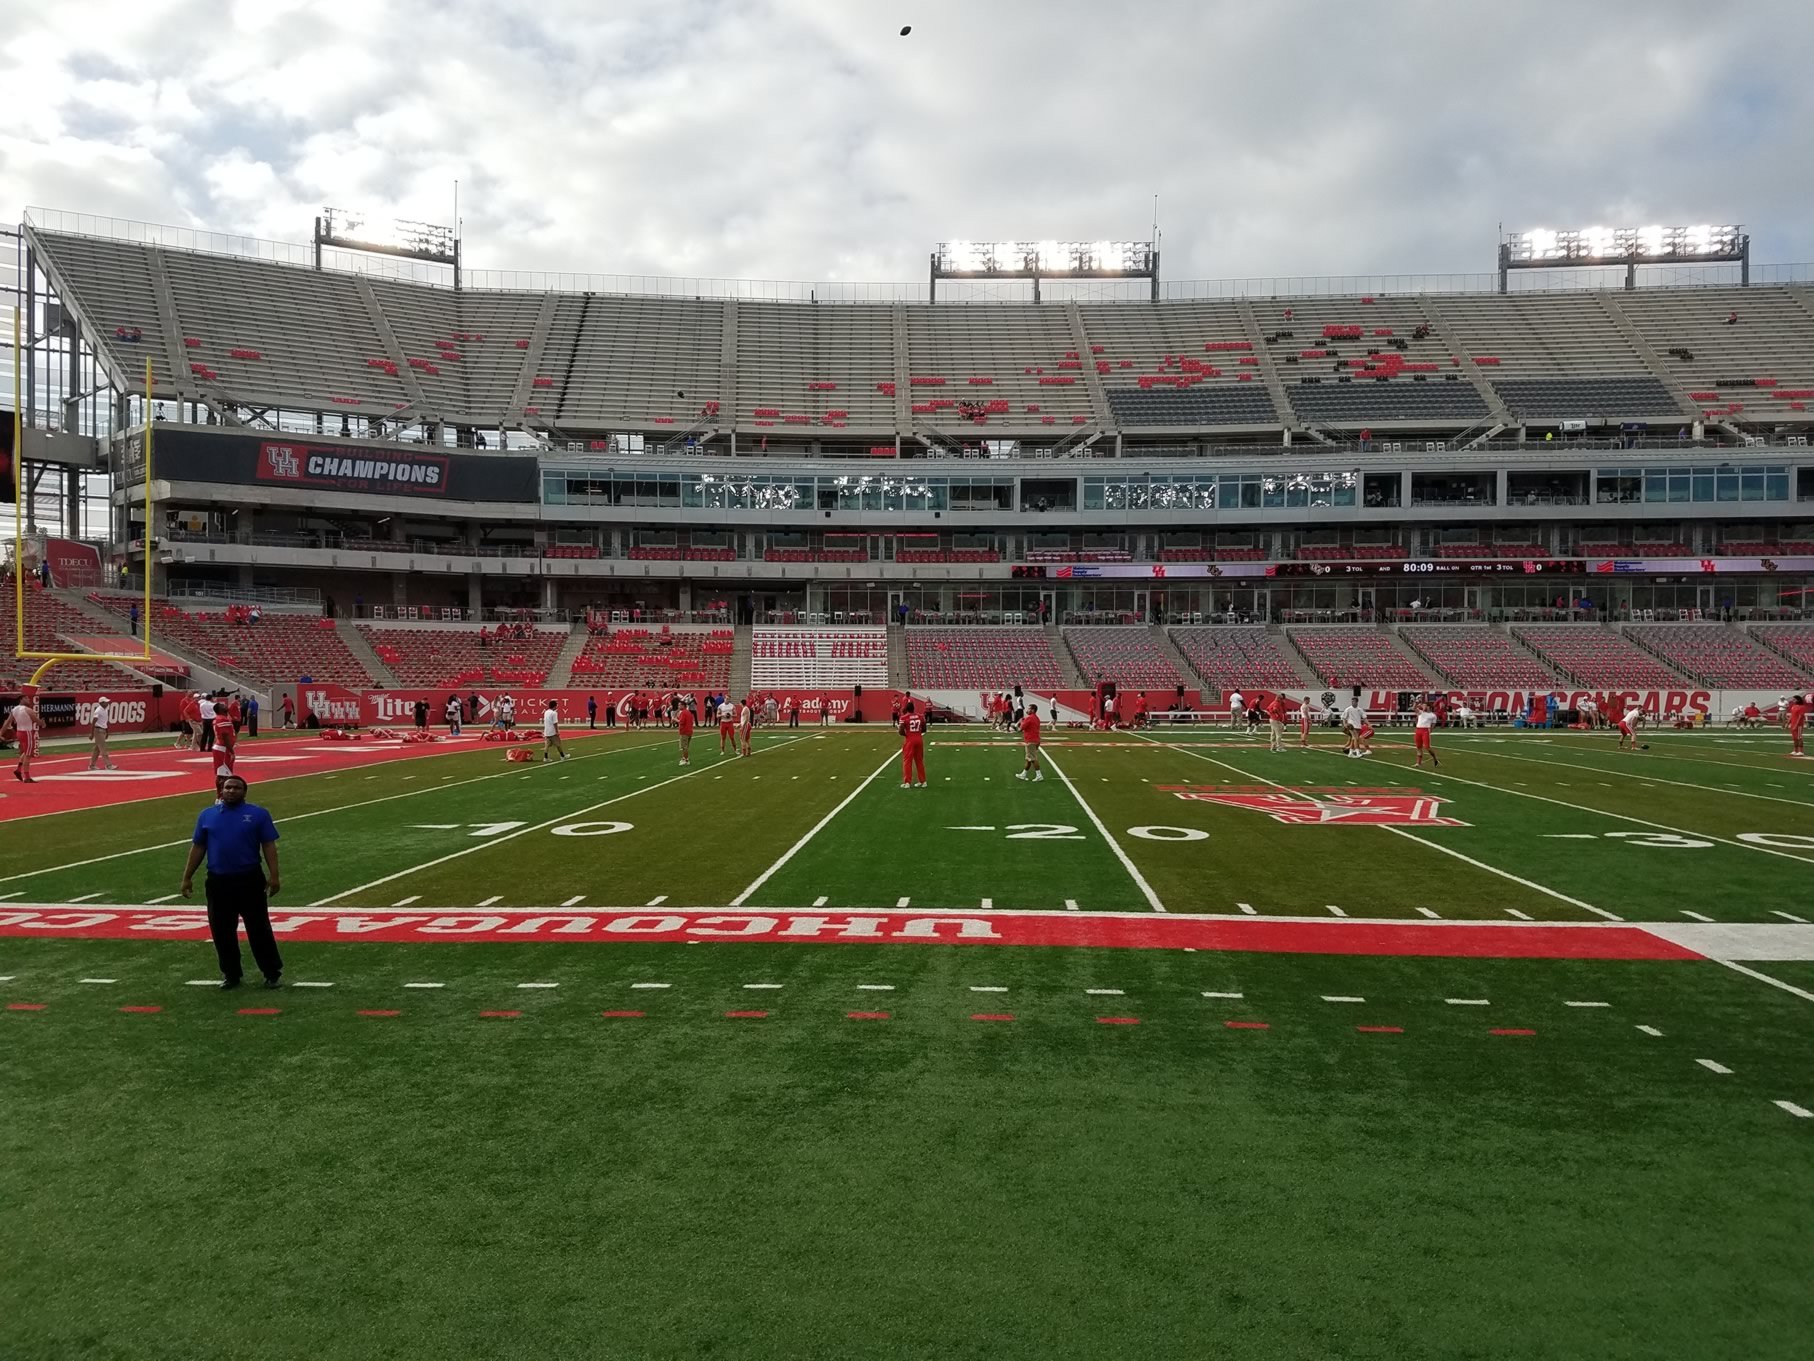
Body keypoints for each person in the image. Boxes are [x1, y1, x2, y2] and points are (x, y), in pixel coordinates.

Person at [179, 774, 282, 990]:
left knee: (259, 928)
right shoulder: (207, 815)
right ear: (220, 791)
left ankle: (271, 972)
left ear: (245, 792)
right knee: (222, 930)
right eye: (227, 788)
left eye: (236, 788)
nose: (231, 791)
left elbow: (269, 846)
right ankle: (231, 974)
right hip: (218, 881)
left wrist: (274, 876)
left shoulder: (258, 814)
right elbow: (198, 847)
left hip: (249, 879)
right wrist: (187, 876)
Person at [4, 693, 39, 782]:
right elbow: (36, 721)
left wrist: (1, 732)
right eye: (27, 698)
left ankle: (19, 769)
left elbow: (7, 722)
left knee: (26, 751)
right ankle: (27, 777)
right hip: (27, 731)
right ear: (21, 699)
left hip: (19, 731)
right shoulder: (28, 710)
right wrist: (42, 723)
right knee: (28, 754)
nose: (29, 700)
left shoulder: (14, 709)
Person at [899, 701, 927, 789]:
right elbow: (924, 729)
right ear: (914, 708)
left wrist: (907, 735)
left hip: (910, 740)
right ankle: (923, 781)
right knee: (919, 761)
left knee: (907, 761)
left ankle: (907, 782)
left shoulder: (904, 717)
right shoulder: (920, 716)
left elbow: (900, 731)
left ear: (906, 709)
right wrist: (917, 733)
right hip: (919, 739)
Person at [87, 695, 118, 771]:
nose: (107, 703)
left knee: (97, 749)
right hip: (98, 731)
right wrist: (92, 733)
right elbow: (93, 722)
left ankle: (92, 765)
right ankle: (108, 765)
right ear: (101, 703)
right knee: (103, 748)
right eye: (106, 702)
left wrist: (107, 732)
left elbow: (104, 722)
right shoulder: (98, 711)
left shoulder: (105, 710)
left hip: (102, 730)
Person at [1015, 703, 1044, 782]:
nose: (1027, 710)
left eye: (1029, 709)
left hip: (1030, 740)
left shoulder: (1029, 718)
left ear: (1032, 710)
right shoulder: (1036, 718)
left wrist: (1020, 723)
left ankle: (1039, 775)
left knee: (1033, 759)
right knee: (1029, 758)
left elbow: (1021, 728)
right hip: (1036, 740)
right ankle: (1023, 774)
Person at [1412, 700, 1440, 768]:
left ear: (1428, 707)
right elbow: (1414, 708)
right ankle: (1418, 763)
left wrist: (1430, 730)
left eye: (1424, 705)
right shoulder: (1421, 712)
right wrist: (1415, 703)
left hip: (1425, 730)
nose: (1423, 706)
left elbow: (1433, 724)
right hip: (1418, 730)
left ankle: (1435, 759)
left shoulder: (1433, 715)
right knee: (1418, 747)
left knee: (1427, 747)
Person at [1788, 692, 1808, 758]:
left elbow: (1800, 717)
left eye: (1794, 699)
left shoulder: (1802, 707)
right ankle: (1795, 750)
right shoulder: (1793, 706)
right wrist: (1788, 722)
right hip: (1793, 724)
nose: (1793, 700)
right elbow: (1791, 715)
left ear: (1798, 700)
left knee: (1799, 737)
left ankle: (1801, 751)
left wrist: (1796, 725)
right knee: (1794, 738)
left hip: (1798, 725)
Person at [676, 698, 695, 766]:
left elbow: (681, 722)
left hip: (684, 731)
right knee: (686, 746)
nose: (678, 707)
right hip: (689, 731)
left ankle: (686, 759)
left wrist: (675, 719)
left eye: (679, 705)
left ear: (683, 706)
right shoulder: (688, 712)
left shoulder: (683, 712)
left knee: (684, 747)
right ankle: (684, 758)